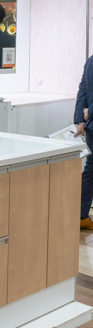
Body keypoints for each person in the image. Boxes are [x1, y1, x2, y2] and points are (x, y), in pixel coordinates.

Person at [74, 55, 93, 229]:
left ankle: (81, 216)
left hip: (91, 124)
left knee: (90, 169)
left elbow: (83, 90)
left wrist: (81, 120)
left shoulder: (91, 60)